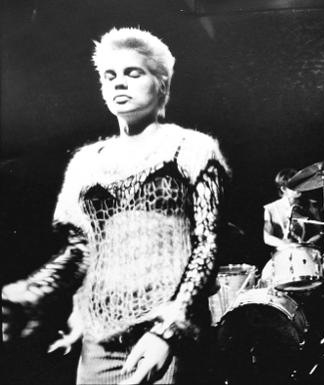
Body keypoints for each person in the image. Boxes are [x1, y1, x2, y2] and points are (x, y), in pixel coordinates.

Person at [2, 27, 230, 384]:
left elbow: (208, 246)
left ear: (162, 84)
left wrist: (168, 330)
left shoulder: (193, 149)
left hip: (168, 338)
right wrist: (27, 295)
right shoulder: (85, 162)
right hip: (100, 345)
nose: (119, 83)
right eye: (109, 76)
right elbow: (80, 252)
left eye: (132, 73)